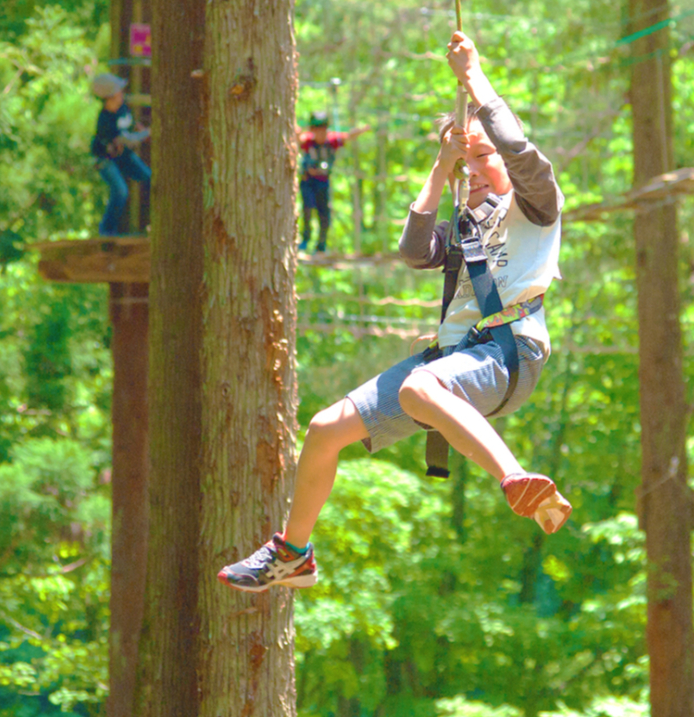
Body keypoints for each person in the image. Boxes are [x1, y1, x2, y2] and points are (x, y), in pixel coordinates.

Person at [219, 31, 571, 593]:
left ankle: (514, 477)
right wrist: (441, 167)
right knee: (324, 429)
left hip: (508, 353)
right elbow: (415, 251)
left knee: (418, 390)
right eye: (468, 165)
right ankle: (293, 553)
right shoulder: (464, 227)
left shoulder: (535, 206)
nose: (477, 171)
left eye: (485, 158)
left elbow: (516, 148)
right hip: (453, 362)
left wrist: (473, 78)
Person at [298, 112, 370, 253]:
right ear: (312, 130)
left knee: (324, 213)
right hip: (308, 181)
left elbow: (349, 135)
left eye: (323, 128)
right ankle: (305, 240)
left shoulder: (332, 141)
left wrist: (363, 129)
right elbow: (296, 137)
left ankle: (321, 245)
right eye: (316, 128)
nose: (320, 132)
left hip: (323, 182)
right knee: (307, 210)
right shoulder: (307, 142)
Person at [89, 73, 150, 237]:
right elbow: (127, 140)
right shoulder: (105, 120)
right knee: (120, 191)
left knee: (149, 179)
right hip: (105, 159)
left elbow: (131, 124)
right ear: (109, 97)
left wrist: (140, 128)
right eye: (118, 92)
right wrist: (149, 134)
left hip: (122, 155)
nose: (121, 94)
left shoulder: (123, 108)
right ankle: (107, 231)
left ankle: (149, 224)